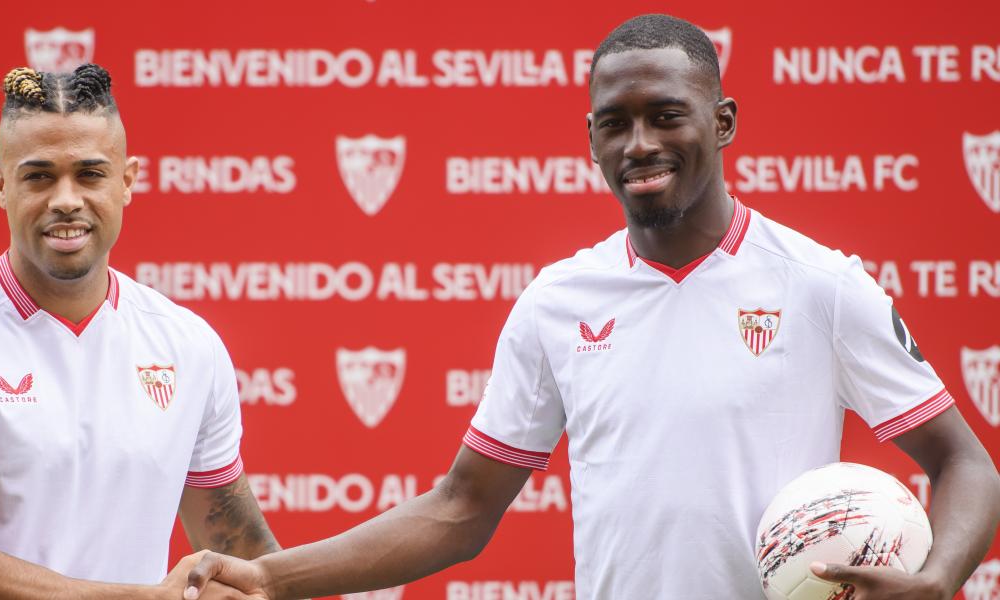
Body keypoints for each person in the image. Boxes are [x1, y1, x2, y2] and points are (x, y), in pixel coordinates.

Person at [183, 14, 1000, 600]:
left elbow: (966, 465)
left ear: (723, 123)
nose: (639, 144)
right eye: (615, 124)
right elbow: (461, 508)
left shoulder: (819, 284)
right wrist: (270, 578)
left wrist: (936, 580)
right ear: (591, 141)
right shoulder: (556, 303)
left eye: (666, 116)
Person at [0, 63, 278, 599]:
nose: (66, 199)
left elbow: (242, 550)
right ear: (0, 184)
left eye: (89, 173)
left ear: (126, 181)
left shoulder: (188, 345)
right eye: (39, 175)